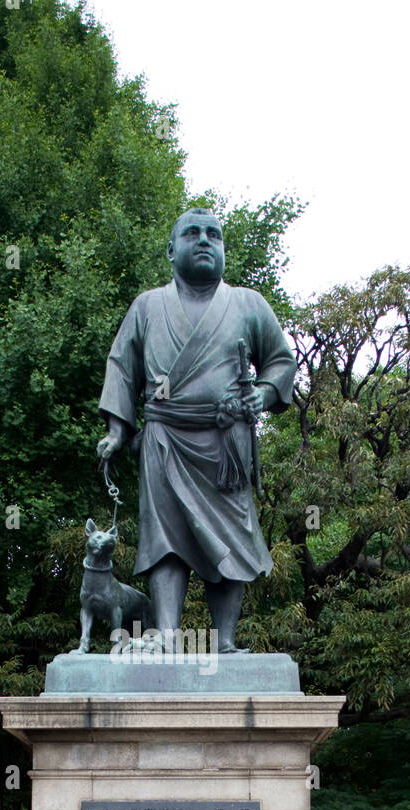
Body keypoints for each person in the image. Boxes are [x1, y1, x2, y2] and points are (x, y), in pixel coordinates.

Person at [96, 208, 296, 652]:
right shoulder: (147, 306)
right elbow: (122, 367)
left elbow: (281, 361)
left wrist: (260, 396)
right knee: (165, 539)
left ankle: (224, 642)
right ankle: (167, 637)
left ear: (223, 249)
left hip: (226, 443)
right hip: (165, 437)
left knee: (231, 539)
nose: (204, 240)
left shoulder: (248, 304)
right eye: (192, 233)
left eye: (214, 235)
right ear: (172, 249)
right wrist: (116, 429)